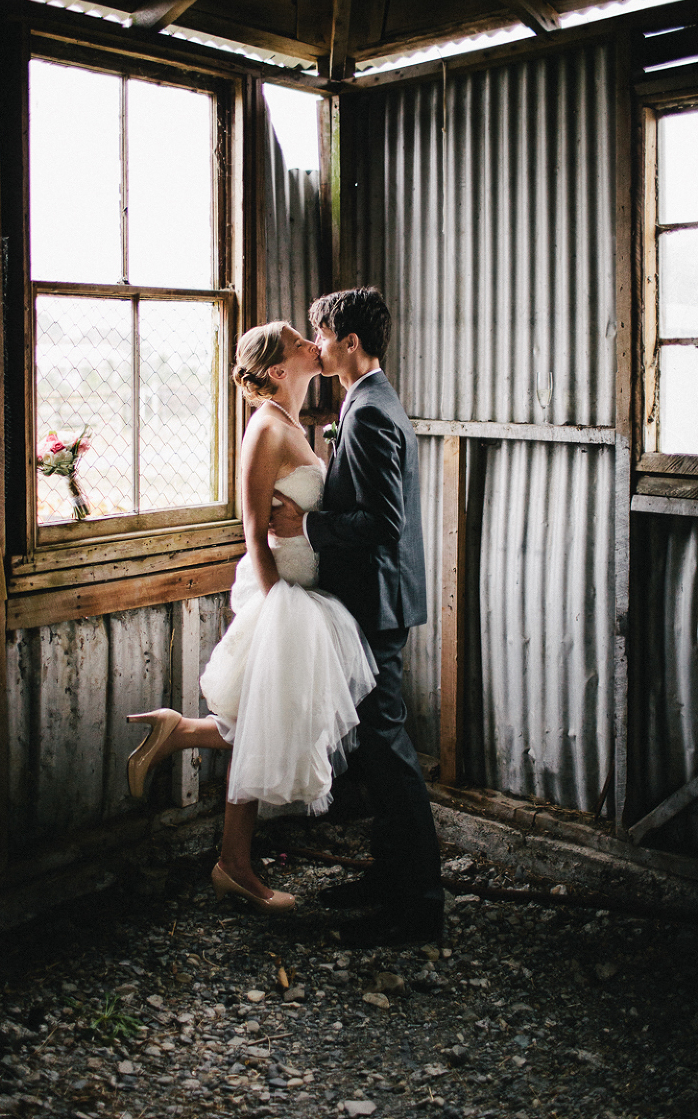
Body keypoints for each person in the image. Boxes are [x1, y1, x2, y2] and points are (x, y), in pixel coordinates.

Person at [126, 321, 376, 917]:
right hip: (284, 598)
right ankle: (234, 864)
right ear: (276, 370)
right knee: (270, 725)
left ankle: (182, 738)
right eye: (296, 341)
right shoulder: (265, 428)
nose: (308, 342)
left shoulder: (292, 422)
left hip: (302, 593)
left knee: (267, 726)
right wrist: (276, 613)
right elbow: (254, 529)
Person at [270, 287, 445, 945]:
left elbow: (381, 523)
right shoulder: (371, 399)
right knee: (375, 750)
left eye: (322, 332)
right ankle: (387, 878)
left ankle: (419, 906)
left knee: (389, 751)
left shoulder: (368, 412)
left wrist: (308, 525)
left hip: (376, 603)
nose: (316, 344)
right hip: (377, 599)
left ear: (348, 341)